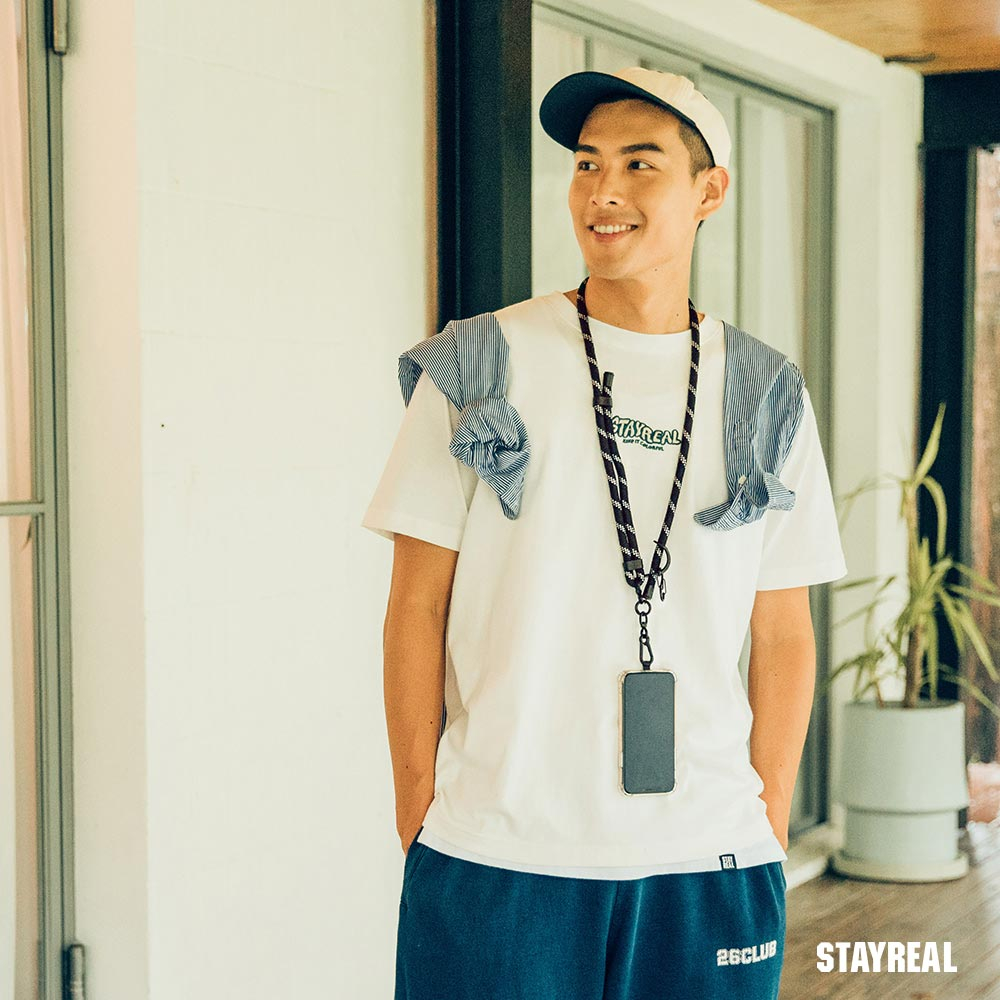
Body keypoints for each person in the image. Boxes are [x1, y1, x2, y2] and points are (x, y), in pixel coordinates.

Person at [362, 66, 847, 1000]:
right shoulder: (478, 363)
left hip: (709, 861)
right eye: (587, 165)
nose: (603, 191)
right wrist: (417, 809)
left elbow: (783, 631)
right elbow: (414, 607)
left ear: (710, 191)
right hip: (500, 855)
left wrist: (767, 818)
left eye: (639, 164)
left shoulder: (768, 392)